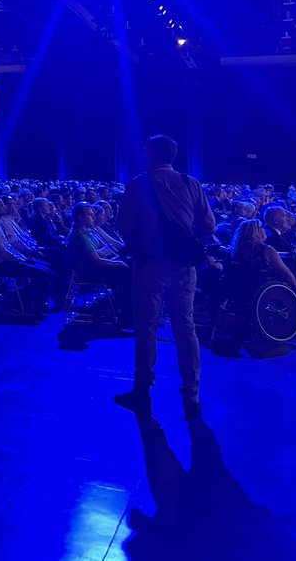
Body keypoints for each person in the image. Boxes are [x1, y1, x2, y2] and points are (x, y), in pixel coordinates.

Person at [115, 135, 215, 420]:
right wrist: (186, 241)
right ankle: (192, 395)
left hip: (149, 266)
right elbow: (208, 224)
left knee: (146, 328)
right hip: (184, 267)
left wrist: (145, 239)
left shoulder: (138, 184)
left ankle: (142, 390)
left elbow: (123, 225)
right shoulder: (190, 182)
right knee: (186, 327)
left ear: (149, 155)